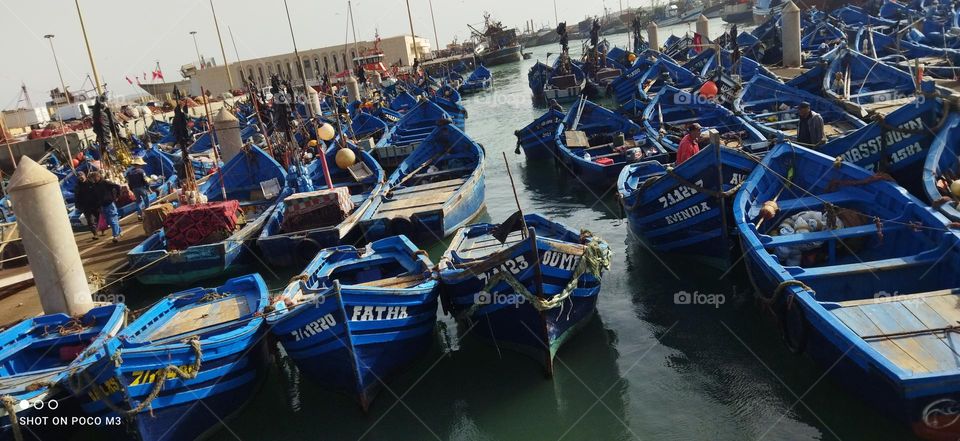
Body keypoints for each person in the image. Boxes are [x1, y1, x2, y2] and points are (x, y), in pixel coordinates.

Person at [90, 171, 123, 243]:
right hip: (102, 206)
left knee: (112, 220)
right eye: (92, 178)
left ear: (98, 176)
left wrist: (117, 196)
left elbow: (117, 186)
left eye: (94, 177)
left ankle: (116, 235)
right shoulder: (94, 186)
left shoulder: (105, 182)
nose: (94, 179)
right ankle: (119, 231)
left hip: (110, 204)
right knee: (109, 221)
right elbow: (95, 197)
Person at [74, 171, 100, 240]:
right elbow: (76, 197)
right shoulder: (77, 186)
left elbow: (97, 191)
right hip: (85, 206)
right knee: (90, 221)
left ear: (84, 175)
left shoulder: (91, 182)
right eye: (79, 176)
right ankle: (95, 234)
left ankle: (102, 229)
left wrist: (99, 200)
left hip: (95, 204)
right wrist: (78, 206)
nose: (80, 177)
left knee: (99, 217)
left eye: (81, 176)